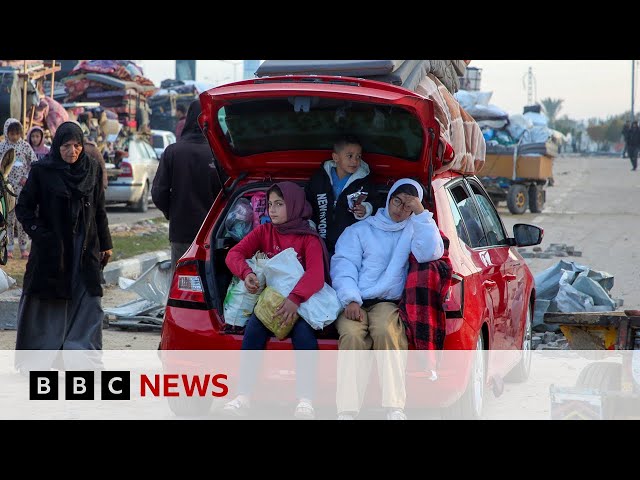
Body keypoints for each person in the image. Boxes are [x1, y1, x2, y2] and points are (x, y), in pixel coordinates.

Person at [330, 178, 444, 420]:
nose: (400, 210)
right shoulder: (360, 230)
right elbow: (343, 265)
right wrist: (350, 299)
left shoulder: (413, 230)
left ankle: (394, 407)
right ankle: (347, 410)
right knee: (351, 335)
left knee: (387, 331)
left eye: (408, 206)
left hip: (387, 303)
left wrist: (421, 215)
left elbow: (432, 251)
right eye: (397, 202)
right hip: (354, 302)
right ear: (389, 198)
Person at [221, 181, 330, 419]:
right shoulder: (265, 231)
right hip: (272, 304)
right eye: (270, 204)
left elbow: (316, 275)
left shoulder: (308, 238)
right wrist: (246, 274)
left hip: (301, 305)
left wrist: (295, 299)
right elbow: (234, 254)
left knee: (303, 336)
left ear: (294, 205)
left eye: (279, 204)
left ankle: (305, 400)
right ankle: (243, 396)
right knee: (253, 330)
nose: (272, 210)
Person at [14, 121, 113, 373]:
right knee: (49, 303)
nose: (73, 151)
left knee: (89, 303)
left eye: (78, 145)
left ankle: (84, 362)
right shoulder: (42, 171)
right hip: (53, 249)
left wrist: (106, 243)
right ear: (57, 145)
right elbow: (23, 208)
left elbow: (99, 209)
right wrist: (40, 234)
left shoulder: (90, 168)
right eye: (67, 146)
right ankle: (42, 361)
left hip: (84, 248)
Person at [151, 99, 224, 275]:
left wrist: (173, 212)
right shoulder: (218, 153)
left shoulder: (173, 152)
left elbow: (158, 193)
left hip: (181, 231)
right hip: (214, 233)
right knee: (212, 282)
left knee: (181, 283)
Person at [305, 134, 380, 255]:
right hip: (318, 239)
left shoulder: (364, 181)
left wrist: (366, 208)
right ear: (335, 157)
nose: (355, 161)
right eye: (349, 156)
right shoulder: (319, 178)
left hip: (349, 244)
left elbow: (376, 202)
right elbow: (307, 202)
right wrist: (309, 225)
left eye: (358, 156)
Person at [0, 119, 38, 259]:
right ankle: (8, 247)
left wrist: (26, 177)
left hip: (22, 189)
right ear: (6, 133)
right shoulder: (2, 147)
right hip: (7, 189)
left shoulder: (25, 146)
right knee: (8, 219)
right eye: (11, 134)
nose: (14, 137)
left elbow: (33, 163)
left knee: (22, 218)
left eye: (17, 134)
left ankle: (23, 247)